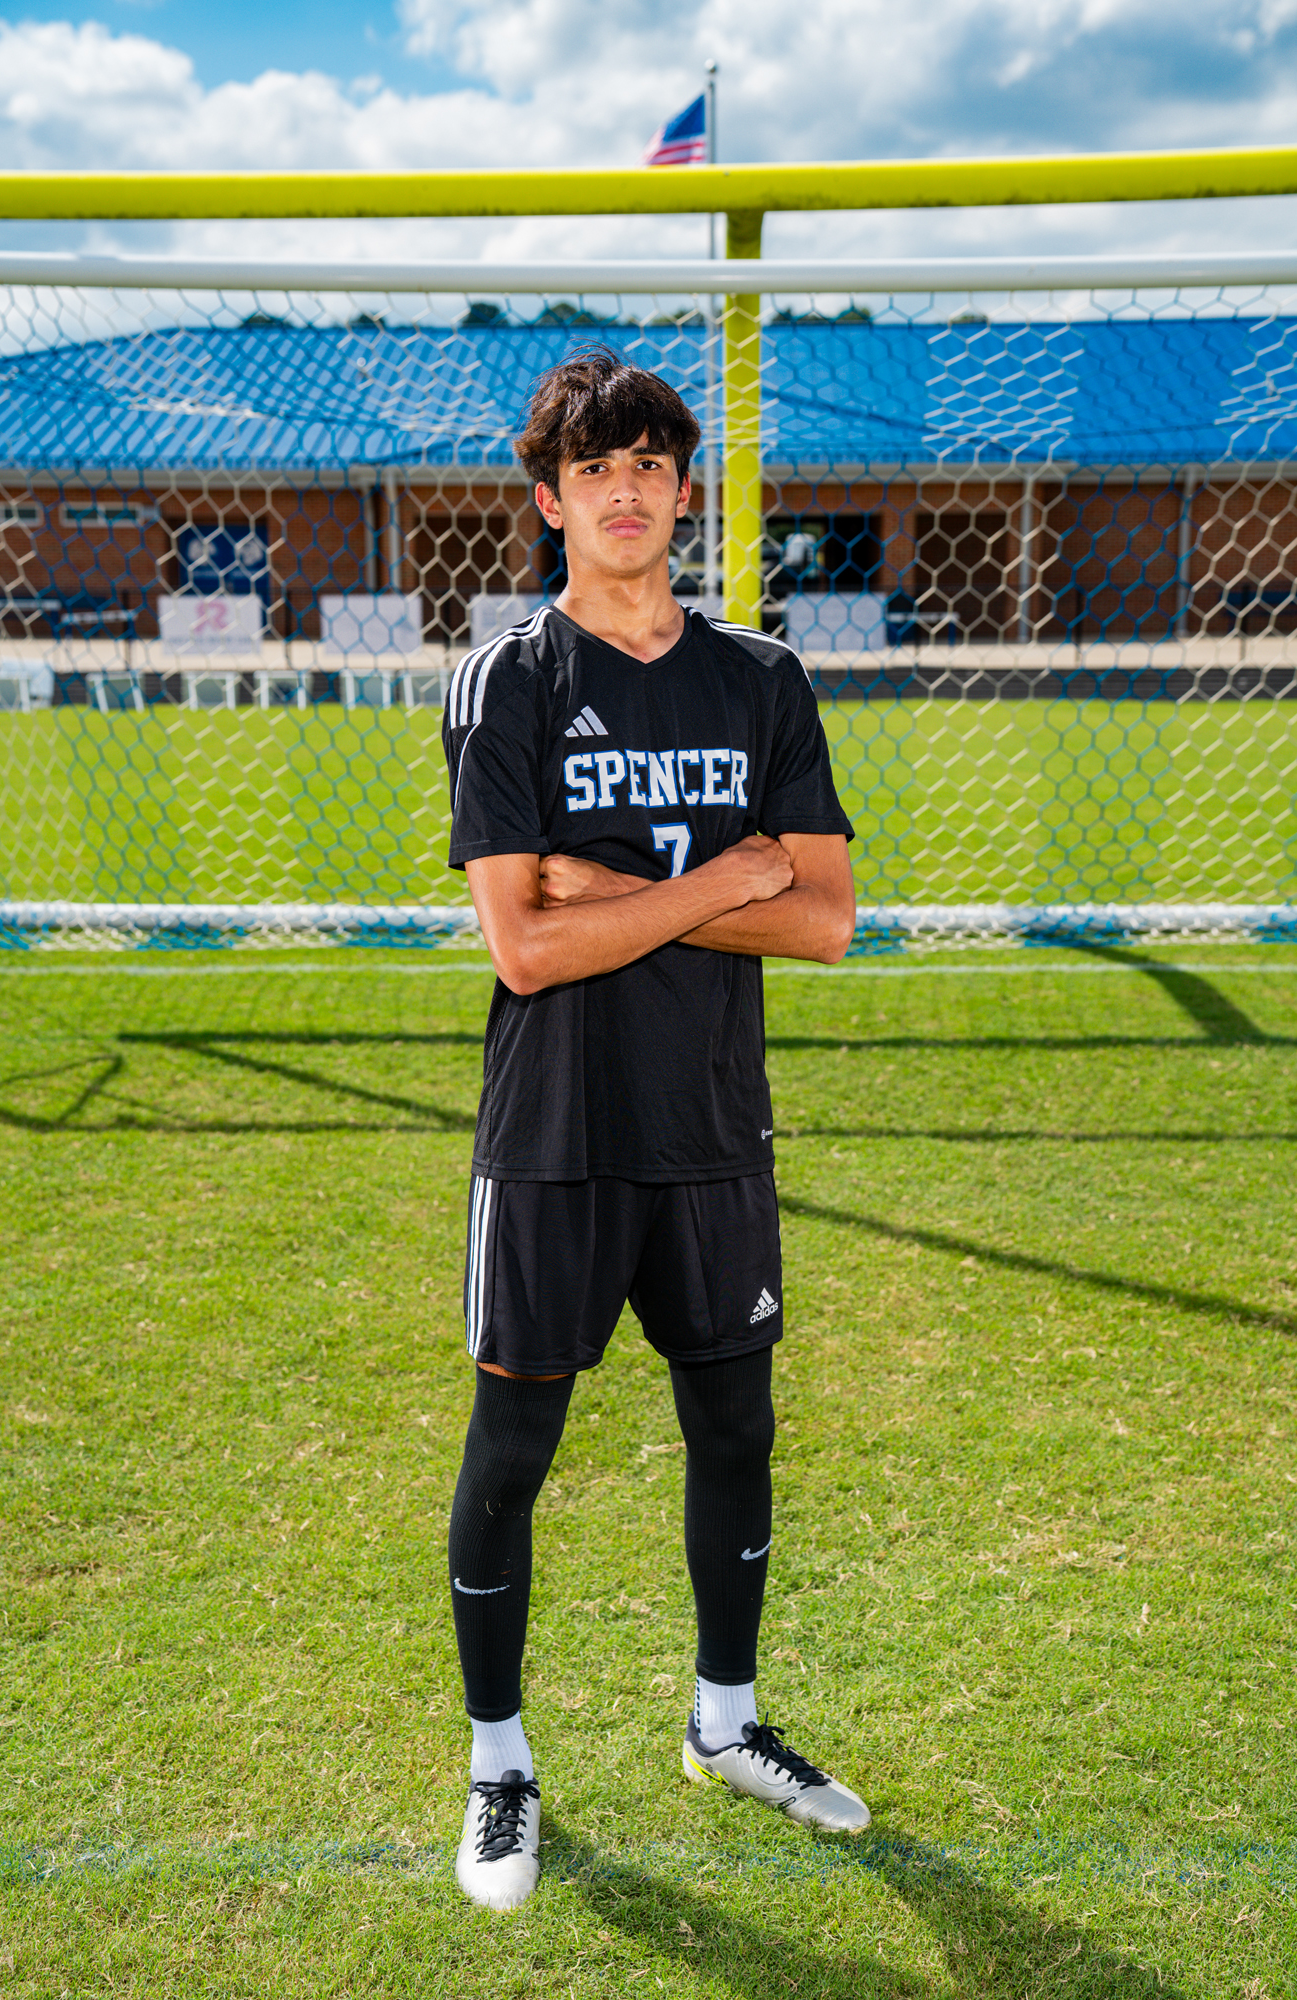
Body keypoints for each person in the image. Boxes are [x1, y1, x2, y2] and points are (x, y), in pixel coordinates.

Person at [442, 347, 869, 1914]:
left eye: (647, 466)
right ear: (549, 502)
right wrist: (722, 878)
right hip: (551, 1134)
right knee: (513, 1454)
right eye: (592, 470)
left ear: (681, 494)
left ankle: (726, 1725)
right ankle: (499, 1762)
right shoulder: (505, 679)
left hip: (711, 1128)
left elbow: (823, 922)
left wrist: (617, 890)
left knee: (736, 1433)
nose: (622, 491)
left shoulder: (759, 679)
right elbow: (523, 947)